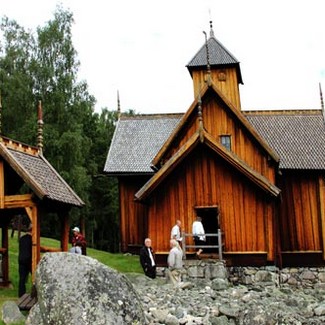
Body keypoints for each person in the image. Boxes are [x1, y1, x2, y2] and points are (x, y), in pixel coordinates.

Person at [18, 223, 32, 297]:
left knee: (22, 279)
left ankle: (21, 295)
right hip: (29, 260)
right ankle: (35, 293)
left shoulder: (22, 238)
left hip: (21, 259)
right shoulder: (32, 239)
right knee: (35, 278)